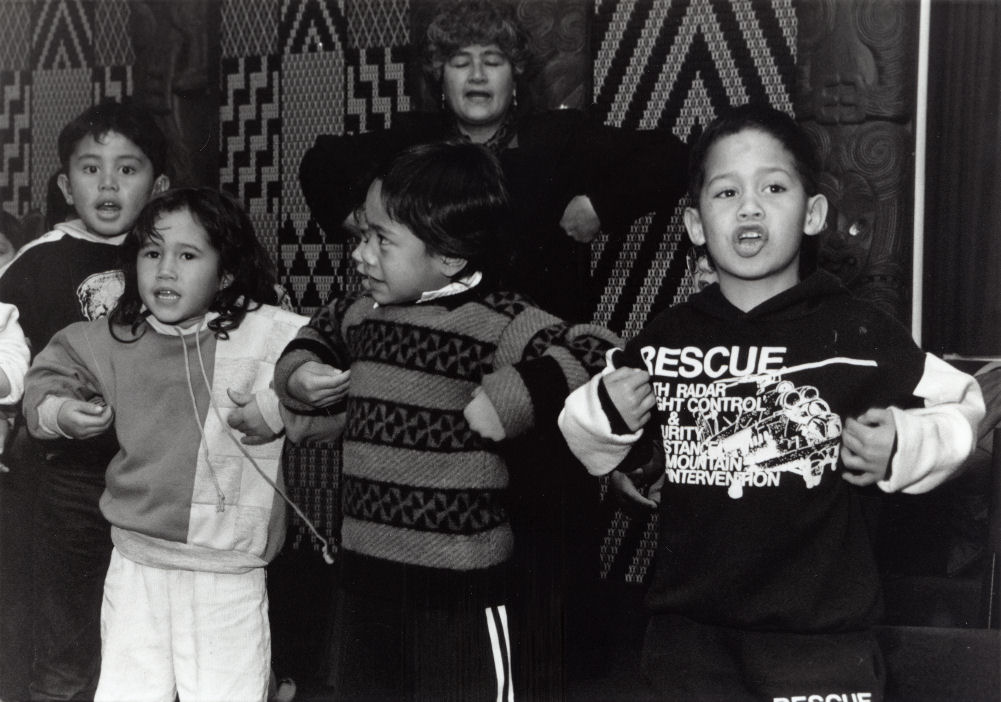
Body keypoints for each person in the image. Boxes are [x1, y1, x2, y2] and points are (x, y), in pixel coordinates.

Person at [300, 2, 688, 686]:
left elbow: (669, 156)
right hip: (435, 391)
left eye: (493, 59)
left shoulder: (557, 139)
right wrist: (367, 220)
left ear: (517, 74)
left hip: (529, 382)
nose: (476, 75)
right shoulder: (415, 147)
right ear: (438, 76)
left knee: (540, 576)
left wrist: (601, 203)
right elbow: (320, 163)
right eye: (459, 60)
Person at [558, 103, 985, 701]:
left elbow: (965, 402)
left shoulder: (860, 334)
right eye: (727, 191)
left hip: (821, 642)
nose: (750, 205)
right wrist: (611, 417)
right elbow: (584, 426)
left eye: (774, 187)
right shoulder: (668, 338)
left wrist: (904, 444)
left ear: (812, 214)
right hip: (689, 640)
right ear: (696, 225)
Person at [275, 140, 620, 701]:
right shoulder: (362, 311)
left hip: (462, 587)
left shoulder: (499, 320)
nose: (360, 254)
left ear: (450, 257)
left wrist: (514, 396)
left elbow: (594, 351)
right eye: (363, 235)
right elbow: (311, 337)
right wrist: (300, 374)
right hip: (365, 579)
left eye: (381, 240)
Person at [22, 187, 313, 702]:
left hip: (229, 573)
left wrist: (278, 407)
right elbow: (48, 375)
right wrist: (62, 413)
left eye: (187, 255)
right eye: (152, 253)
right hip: (137, 566)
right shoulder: (116, 337)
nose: (165, 270)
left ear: (225, 271)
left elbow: (330, 391)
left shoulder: (273, 334)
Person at [0, 100, 170, 701]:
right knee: (71, 630)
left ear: (159, 184)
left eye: (128, 169)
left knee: (150, 634)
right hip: (68, 477)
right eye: (91, 167)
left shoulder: (176, 253)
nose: (107, 182)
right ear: (64, 183)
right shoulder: (39, 261)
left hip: (160, 478)